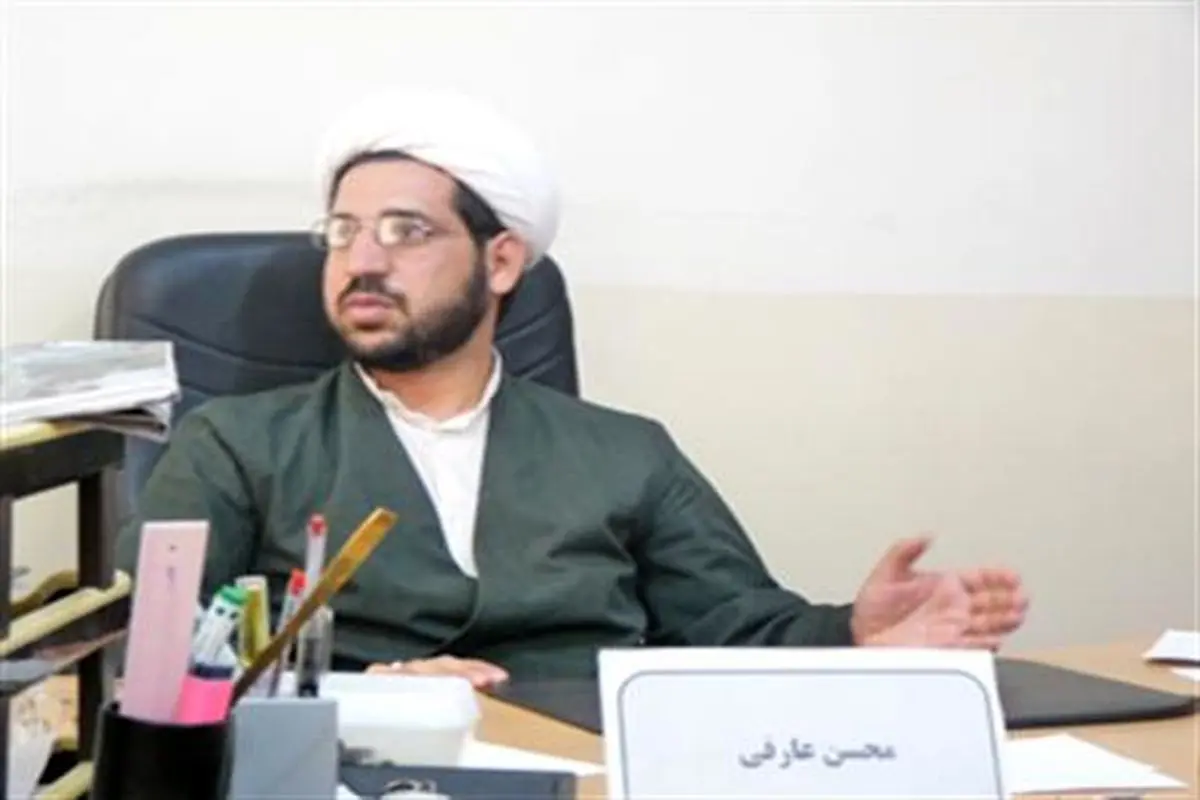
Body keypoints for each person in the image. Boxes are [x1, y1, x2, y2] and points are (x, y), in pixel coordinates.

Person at [114, 88, 1028, 688]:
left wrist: (855, 634)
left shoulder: (625, 452)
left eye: (405, 232)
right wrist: (359, 690)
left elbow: (737, 627)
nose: (361, 261)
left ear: (501, 261)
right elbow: (151, 645)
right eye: (343, 231)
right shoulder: (235, 442)